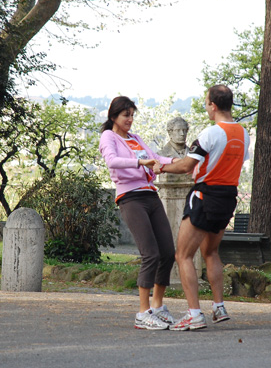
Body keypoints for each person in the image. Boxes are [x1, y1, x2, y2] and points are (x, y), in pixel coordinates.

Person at [153, 85, 250, 331]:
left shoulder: (210, 133)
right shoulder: (243, 133)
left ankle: (194, 314)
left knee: (183, 255)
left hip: (205, 195)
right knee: (211, 253)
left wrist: (161, 167)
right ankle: (218, 307)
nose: (206, 107)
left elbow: (187, 166)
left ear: (213, 106)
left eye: (206, 103)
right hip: (228, 197)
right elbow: (218, 160)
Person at [99, 96, 178, 330]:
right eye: (126, 115)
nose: (130, 120)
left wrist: (178, 161)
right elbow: (112, 161)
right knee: (150, 254)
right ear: (113, 116)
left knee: (167, 252)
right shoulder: (108, 136)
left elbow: (155, 159)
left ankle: (157, 307)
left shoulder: (135, 139)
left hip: (150, 195)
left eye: (132, 115)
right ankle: (142, 313)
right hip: (130, 198)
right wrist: (140, 162)